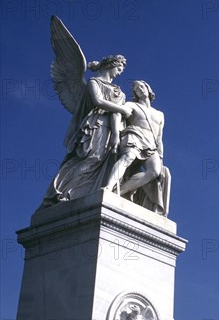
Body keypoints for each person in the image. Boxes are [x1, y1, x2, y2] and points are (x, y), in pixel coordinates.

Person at [41, 54, 132, 207]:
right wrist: (123, 109)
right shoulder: (94, 82)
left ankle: (80, 192)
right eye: (119, 68)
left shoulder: (118, 91)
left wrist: (117, 133)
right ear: (110, 66)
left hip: (112, 128)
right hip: (96, 125)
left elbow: (117, 114)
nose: (119, 73)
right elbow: (98, 101)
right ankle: (62, 191)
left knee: (104, 162)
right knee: (92, 158)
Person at [103, 80, 170, 216]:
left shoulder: (160, 114)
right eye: (136, 88)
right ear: (134, 93)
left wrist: (161, 156)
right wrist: (116, 135)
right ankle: (108, 187)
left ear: (148, 88)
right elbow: (117, 114)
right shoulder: (131, 105)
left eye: (141, 86)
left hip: (151, 144)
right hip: (135, 135)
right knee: (127, 158)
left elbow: (159, 138)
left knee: (155, 171)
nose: (139, 89)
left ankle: (121, 190)